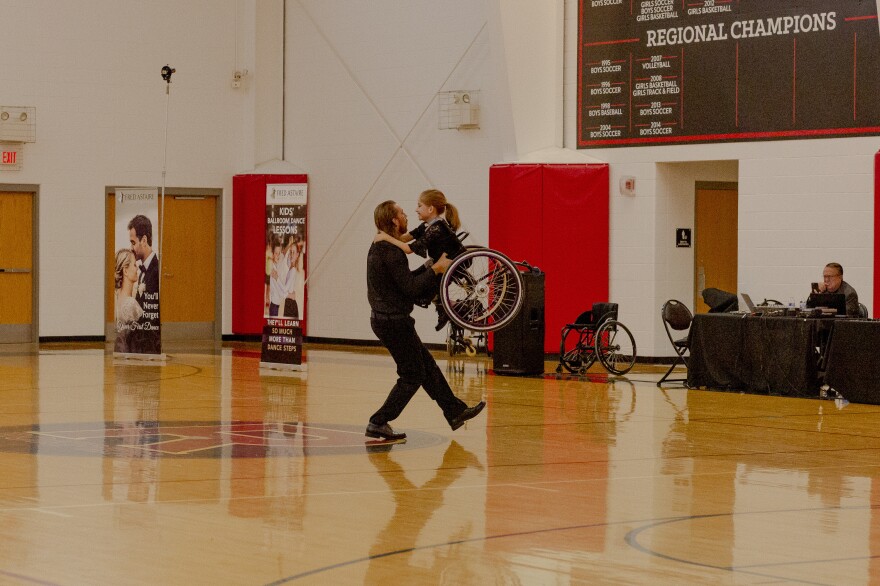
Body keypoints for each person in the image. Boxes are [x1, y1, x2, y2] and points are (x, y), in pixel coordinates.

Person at [366, 200, 485, 441]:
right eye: (402, 213)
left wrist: (431, 266)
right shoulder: (391, 250)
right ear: (394, 220)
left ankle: (455, 411)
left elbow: (403, 282)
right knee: (413, 375)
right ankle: (378, 422)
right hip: (392, 323)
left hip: (392, 320)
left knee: (427, 367)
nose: (407, 215)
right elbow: (410, 288)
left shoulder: (384, 247)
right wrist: (436, 269)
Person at [374, 189, 466, 331]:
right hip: (437, 260)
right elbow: (404, 238)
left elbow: (408, 249)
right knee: (414, 278)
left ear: (430, 209)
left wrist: (385, 238)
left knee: (422, 288)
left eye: (419, 206)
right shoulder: (426, 226)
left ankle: (453, 308)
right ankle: (448, 307)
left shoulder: (438, 227)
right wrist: (387, 233)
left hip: (453, 261)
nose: (416, 210)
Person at [128, 214, 161, 353]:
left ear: (144, 240)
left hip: (149, 344)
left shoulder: (156, 269)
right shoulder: (141, 270)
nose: (131, 247)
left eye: (133, 242)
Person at [113, 249, 144, 353]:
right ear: (125, 271)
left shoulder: (116, 297)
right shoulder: (131, 304)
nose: (137, 268)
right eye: (134, 265)